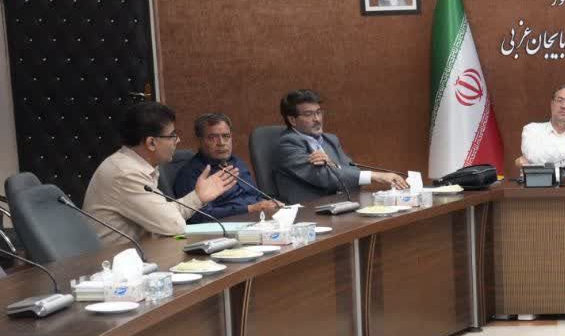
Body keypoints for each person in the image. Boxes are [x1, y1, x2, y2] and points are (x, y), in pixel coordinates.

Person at [82, 101, 235, 242]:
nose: (178, 140)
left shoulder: (135, 164)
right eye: (172, 135)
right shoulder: (126, 173)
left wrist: (198, 196)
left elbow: (164, 214)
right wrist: (197, 198)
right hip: (116, 260)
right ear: (151, 143)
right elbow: (173, 226)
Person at [273, 89, 408, 204]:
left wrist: (333, 165)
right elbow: (324, 177)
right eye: (309, 114)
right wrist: (375, 176)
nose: (317, 119)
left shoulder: (330, 140)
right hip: (308, 211)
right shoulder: (287, 144)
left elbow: (351, 172)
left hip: (339, 204)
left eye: (319, 112)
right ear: (292, 120)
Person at [172, 113, 278, 219]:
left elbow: (255, 196)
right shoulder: (190, 174)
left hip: (259, 218)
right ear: (199, 141)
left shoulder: (237, 162)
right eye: (212, 137)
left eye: (226, 136)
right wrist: (249, 209)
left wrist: (271, 204)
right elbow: (199, 216)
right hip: (226, 224)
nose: (221, 143)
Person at [515, 84, 565, 175]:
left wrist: (536, 165)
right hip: (538, 184)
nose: (564, 106)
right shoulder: (531, 130)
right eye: (560, 100)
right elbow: (533, 156)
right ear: (552, 104)